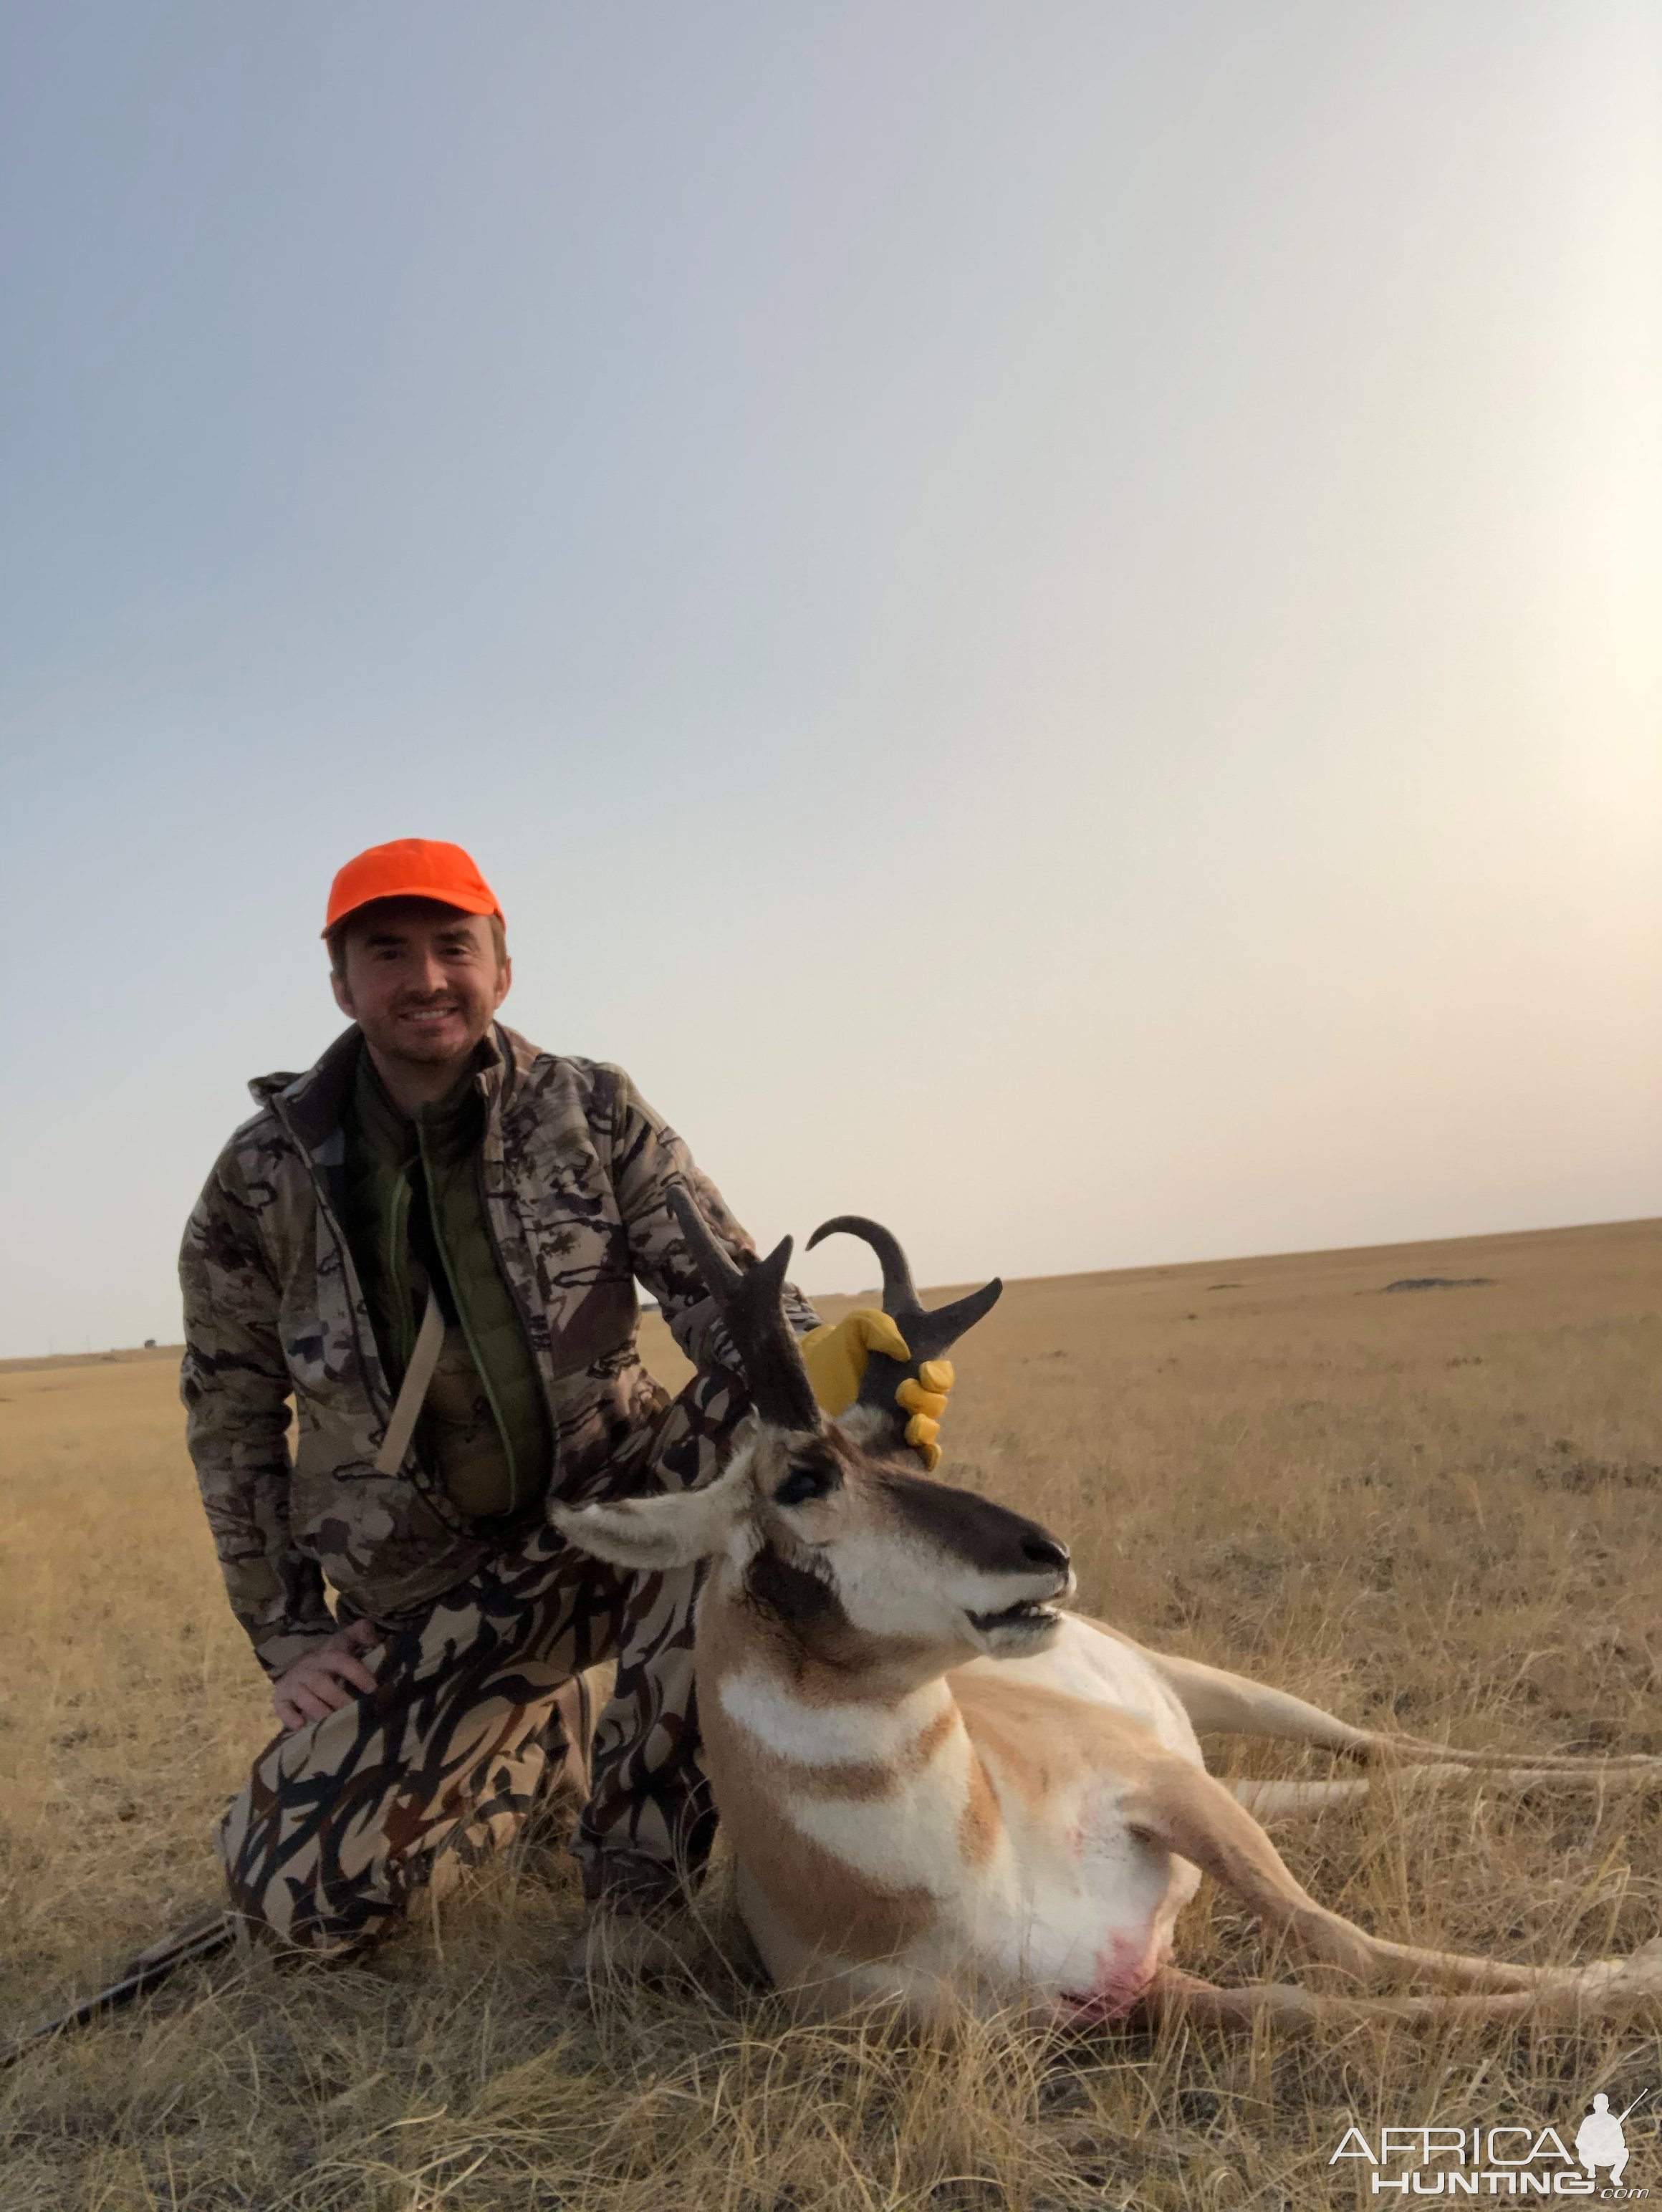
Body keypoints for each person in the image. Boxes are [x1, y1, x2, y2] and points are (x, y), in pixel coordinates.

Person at [179, 838, 954, 1963]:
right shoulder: (259, 1179)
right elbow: (231, 1413)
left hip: (627, 1517)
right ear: (341, 984)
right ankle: (535, 1750)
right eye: (386, 952)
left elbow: (733, 1310)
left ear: (503, 965)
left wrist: (837, 1377)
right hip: (427, 1593)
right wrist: (291, 1630)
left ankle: (639, 1882)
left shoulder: (593, 1111)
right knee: (300, 1913)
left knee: (743, 1455)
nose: (427, 977)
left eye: (455, 945)